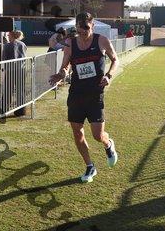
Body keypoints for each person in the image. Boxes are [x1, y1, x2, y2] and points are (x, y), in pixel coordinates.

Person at [49, 12, 119, 183]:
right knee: (77, 132)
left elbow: (115, 60)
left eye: (86, 27)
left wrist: (108, 75)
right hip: (76, 94)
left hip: (95, 95)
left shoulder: (102, 40)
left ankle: (108, 144)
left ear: (92, 25)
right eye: (79, 28)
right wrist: (60, 74)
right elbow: (65, 66)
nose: (82, 31)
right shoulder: (70, 44)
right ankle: (90, 166)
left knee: (97, 135)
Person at [2, 30, 28, 116]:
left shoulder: (7, 46)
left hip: (10, 70)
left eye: (8, 35)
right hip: (21, 69)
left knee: (8, 89)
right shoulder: (22, 44)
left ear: (11, 35)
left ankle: (4, 108)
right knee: (20, 90)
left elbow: (4, 58)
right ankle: (21, 110)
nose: (8, 37)